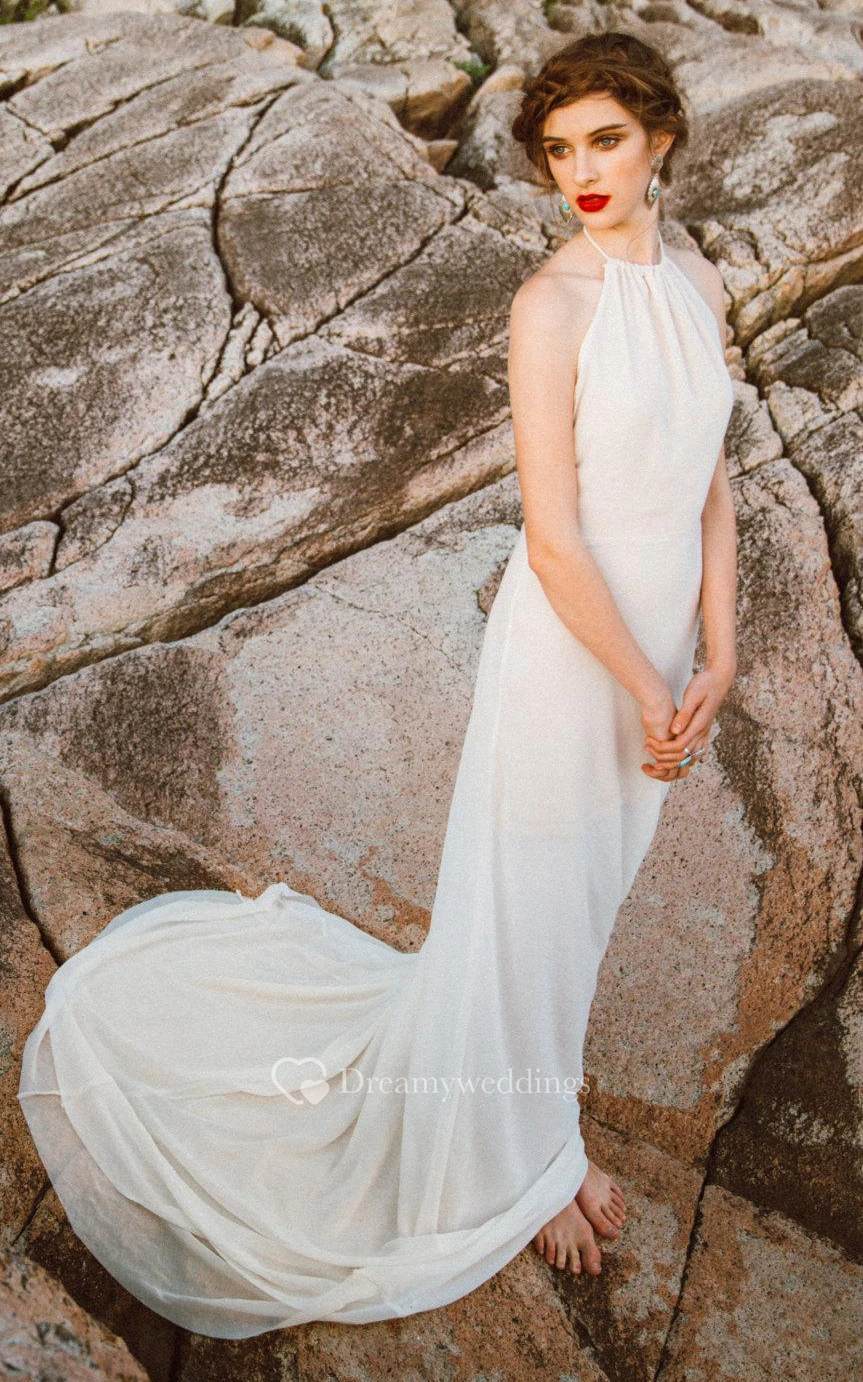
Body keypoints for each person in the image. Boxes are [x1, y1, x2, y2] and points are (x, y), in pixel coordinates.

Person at [16, 31, 737, 1338]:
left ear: (660, 139)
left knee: (575, 915)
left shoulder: (696, 279)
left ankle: (533, 1129)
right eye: (560, 149)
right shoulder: (552, 306)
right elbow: (554, 541)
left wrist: (719, 652)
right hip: (572, 657)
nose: (582, 170)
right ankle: (524, 1167)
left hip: (662, 651)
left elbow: (710, 479)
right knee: (522, 910)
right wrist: (643, 683)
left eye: (606, 141)